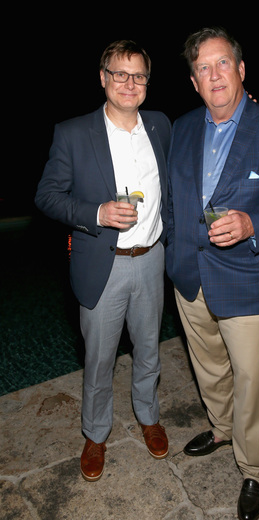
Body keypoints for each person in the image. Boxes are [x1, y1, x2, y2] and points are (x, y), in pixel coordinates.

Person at [166, 27, 259, 520]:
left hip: (249, 278)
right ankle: (222, 427)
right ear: (193, 81)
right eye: (203, 68)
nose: (214, 75)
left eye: (222, 63)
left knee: (252, 379)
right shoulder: (183, 127)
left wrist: (254, 223)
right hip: (189, 275)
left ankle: (255, 469)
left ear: (241, 69)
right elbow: (172, 200)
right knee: (209, 366)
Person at [35, 40, 171, 482]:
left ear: (147, 82)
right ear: (102, 78)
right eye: (120, 73)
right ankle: (95, 435)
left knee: (149, 350)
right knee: (99, 358)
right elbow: (47, 196)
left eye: (138, 75)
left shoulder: (160, 126)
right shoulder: (73, 132)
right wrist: (96, 213)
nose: (129, 83)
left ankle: (148, 417)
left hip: (152, 258)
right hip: (103, 263)